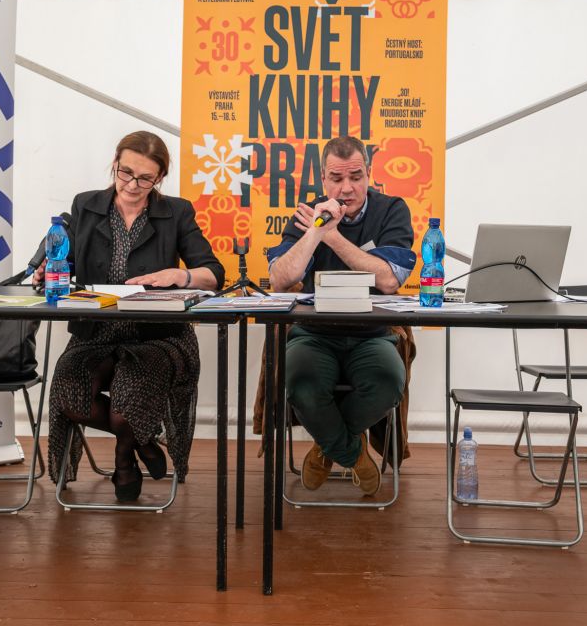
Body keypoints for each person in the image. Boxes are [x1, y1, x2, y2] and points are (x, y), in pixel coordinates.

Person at [37, 131, 224, 502]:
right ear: (115, 164)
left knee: (128, 404)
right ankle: (145, 441)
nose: (132, 185)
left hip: (158, 336)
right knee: (69, 394)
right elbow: (64, 262)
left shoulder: (176, 212)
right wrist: (48, 270)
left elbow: (214, 274)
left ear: (160, 178)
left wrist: (179, 275)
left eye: (145, 178)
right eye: (125, 173)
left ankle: (125, 459)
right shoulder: (85, 205)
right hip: (95, 334)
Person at [267, 135, 416, 495]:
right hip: (314, 334)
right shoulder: (308, 214)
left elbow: (388, 280)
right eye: (336, 178)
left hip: (373, 334)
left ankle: (327, 447)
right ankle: (353, 452)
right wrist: (316, 231)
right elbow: (280, 279)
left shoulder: (392, 210)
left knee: (388, 381)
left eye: (356, 176)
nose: (346, 188)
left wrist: (331, 236)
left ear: (369, 173)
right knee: (300, 382)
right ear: (323, 178)